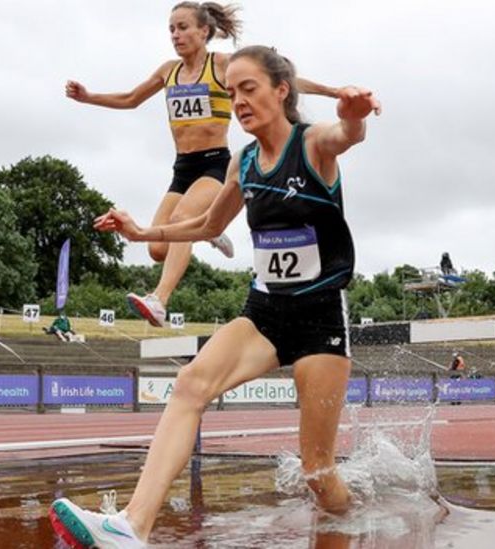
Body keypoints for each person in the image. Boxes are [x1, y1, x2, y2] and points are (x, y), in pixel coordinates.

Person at [49, 45, 380, 549]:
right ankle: (132, 527)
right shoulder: (243, 162)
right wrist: (141, 233)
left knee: (317, 471)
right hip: (264, 312)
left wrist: (354, 116)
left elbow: (346, 135)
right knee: (189, 385)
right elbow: (207, 224)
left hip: (319, 319)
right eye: (232, 93)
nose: (238, 101)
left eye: (249, 89)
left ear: (281, 90)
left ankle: (350, 526)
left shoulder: (312, 144)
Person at [65, 2, 340, 327]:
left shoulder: (221, 64)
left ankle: (159, 300)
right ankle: (211, 228)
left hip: (214, 165)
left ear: (204, 31)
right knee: (156, 248)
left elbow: (279, 78)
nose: (176, 35)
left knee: (182, 219)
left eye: (182, 27)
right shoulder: (169, 71)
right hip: (182, 169)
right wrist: (89, 97)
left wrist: (334, 91)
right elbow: (130, 99)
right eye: (171, 29)